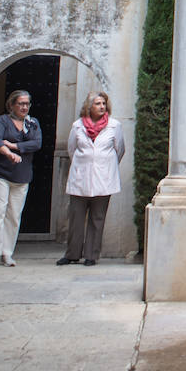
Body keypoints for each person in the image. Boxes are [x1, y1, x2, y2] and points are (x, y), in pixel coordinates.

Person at [0, 90, 42, 268]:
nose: (24, 107)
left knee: (13, 215)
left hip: (22, 175)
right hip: (0, 173)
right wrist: (8, 154)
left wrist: (14, 145)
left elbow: (37, 143)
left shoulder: (33, 123)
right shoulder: (2, 121)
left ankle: (6, 252)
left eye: (27, 104)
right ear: (11, 105)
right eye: (20, 103)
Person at [58, 91, 125, 266]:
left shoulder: (114, 126)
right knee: (76, 218)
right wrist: (85, 163)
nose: (101, 106)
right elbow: (72, 149)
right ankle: (72, 254)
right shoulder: (77, 126)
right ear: (89, 106)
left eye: (103, 103)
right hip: (80, 178)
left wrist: (105, 165)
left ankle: (91, 255)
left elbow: (119, 150)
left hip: (104, 179)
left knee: (98, 218)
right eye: (97, 103)